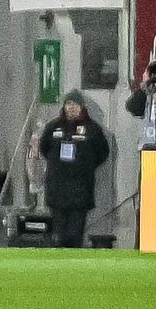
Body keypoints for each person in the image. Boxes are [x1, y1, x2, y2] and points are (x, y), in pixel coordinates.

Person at [36, 93, 107, 247]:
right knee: (58, 236)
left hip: (80, 190)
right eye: (68, 104)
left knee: (75, 235)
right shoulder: (53, 127)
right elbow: (44, 148)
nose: (71, 108)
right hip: (57, 189)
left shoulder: (92, 129)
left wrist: (85, 166)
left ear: (82, 108)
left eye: (75, 104)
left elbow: (102, 153)